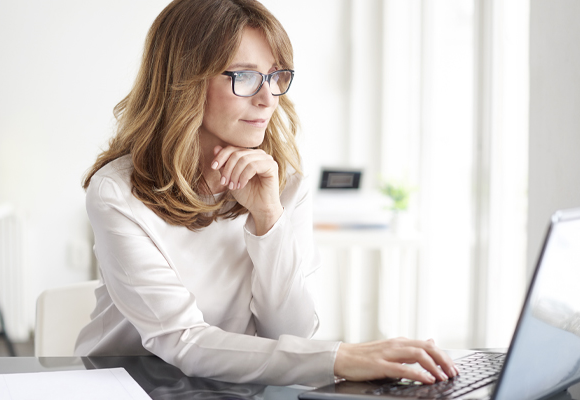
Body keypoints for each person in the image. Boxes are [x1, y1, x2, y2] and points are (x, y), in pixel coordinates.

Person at [76, 0, 458, 388]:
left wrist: (269, 220)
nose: (268, 98)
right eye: (244, 76)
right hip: (125, 383)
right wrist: (342, 357)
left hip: (227, 386)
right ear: (185, 81)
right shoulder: (118, 193)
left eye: (275, 77)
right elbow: (182, 341)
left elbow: (289, 333)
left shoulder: (284, 182)